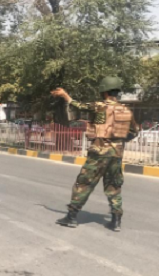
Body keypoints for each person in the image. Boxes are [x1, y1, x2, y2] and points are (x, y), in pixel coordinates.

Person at [52, 77, 138, 232]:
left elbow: (78, 105)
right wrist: (118, 142)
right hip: (116, 155)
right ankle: (116, 220)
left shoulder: (98, 106)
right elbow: (134, 131)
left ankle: (71, 217)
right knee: (113, 185)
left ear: (104, 91)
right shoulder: (126, 110)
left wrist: (65, 95)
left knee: (83, 183)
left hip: (98, 154)